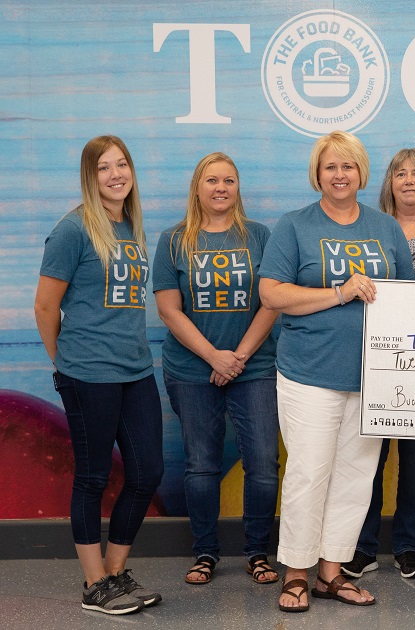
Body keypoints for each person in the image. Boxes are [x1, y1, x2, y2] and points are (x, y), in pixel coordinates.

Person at [259, 130, 415, 612]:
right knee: (309, 474)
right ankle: (296, 573)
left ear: (361, 172)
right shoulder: (294, 226)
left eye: (348, 166)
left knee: (355, 478)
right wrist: (338, 293)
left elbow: (409, 298)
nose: (340, 174)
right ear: (317, 174)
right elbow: (271, 293)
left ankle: (332, 572)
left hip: (371, 379)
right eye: (330, 166)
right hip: (309, 374)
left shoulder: (385, 228)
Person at [34, 135, 163, 615]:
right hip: (88, 371)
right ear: (90, 177)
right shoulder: (72, 230)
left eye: (122, 164)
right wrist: (64, 362)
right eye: (104, 168)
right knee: (91, 477)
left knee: (148, 470)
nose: (116, 175)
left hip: (135, 367)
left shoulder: (130, 224)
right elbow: (46, 305)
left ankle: (113, 572)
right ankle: (94, 587)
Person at [153, 152, 280, 587]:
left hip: (255, 366)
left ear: (238, 187)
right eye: (212, 180)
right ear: (198, 187)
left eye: (229, 180)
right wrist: (214, 357)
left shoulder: (261, 236)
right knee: (202, 465)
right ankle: (205, 552)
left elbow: (271, 300)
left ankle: (257, 553)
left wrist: (238, 357)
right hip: (192, 370)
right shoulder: (173, 241)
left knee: (263, 463)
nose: (221, 187)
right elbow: (169, 310)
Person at [342, 148, 415, 580]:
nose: (409, 180)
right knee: (368, 457)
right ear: (388, 183)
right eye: (400, 173)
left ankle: (408, 546)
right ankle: (363, 546)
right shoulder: (371, 230)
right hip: (376, 359)